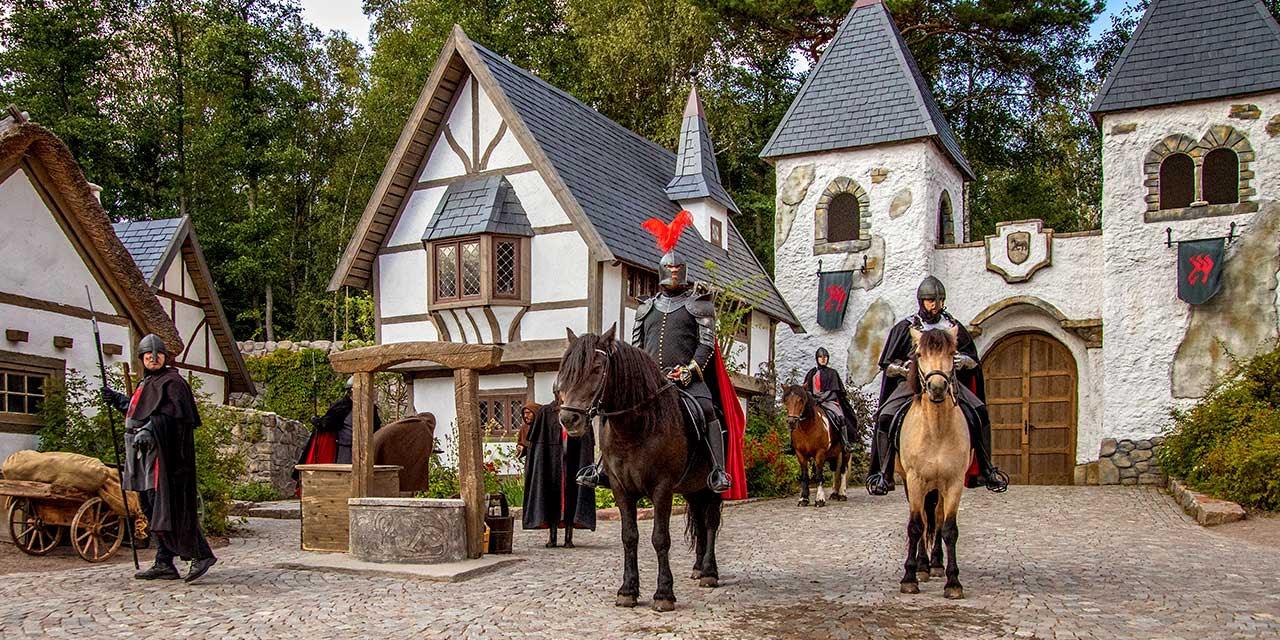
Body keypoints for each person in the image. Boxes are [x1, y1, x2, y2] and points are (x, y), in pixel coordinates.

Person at [576, 210, 735, 493]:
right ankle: (602, 467)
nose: (673, 273)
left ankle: (717, 470)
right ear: (661, 272)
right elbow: (637, 347)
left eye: (677, 269)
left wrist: (690, 370)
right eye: (669, 269)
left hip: (687, 378)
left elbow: (706, 344)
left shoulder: (699, 305)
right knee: (610, 409)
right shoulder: (645, 308)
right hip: (650, 382)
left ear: (684, 272)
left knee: (707, 409)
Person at [865, 276, 1009, 495]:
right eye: (930, 300)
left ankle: (985, 469)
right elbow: (887, 364)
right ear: (922, 301)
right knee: (885, 417)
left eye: (939, 300)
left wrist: (963, 361)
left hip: (949, 384)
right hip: (913, 384)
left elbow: (973, 360)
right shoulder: (906, 327)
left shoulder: (952, 327)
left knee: (980, 412)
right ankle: (884, 472)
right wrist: (903, 369)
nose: (935, 305)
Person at [102, 334, 217, 583]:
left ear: (165, 357)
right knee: (151, 508)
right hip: (143, 457)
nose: (153, 359)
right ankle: (164, 563)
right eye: (148, 356)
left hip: (165, 460)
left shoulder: (173, 383)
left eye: (157, 355)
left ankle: (201, 554)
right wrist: (120, 401)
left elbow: (176, 419)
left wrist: (150, 429)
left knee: (167, 508)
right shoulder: (147, 382)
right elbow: (143, 410)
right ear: (142, 358)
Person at [522, 398, 595, 547]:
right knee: (551, 498)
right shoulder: (546, 412)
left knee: (572, 498)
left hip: (573, 464)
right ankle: (552, 537)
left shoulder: (579, 411)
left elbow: (587, 439)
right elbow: (537, 441)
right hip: (551, 464)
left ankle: (569, 538)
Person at [296, 377, 383, 470]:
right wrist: (318, 422)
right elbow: (328, 424)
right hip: (345, 449)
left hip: (366, 449)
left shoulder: (370, 407)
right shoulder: (342, 406)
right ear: (350, 391)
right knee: (345, 472)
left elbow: (376, 428)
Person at [802, 347, 857, 454]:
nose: (823, 359)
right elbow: (807, 389)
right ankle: (793, 445)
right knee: (799, 417)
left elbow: (834, 390)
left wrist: (822, 398)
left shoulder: (832, 373)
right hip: (813, 403)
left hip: (829, 401)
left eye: (825, 357)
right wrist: (812, 399)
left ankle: (846, 443)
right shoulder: (811, 373)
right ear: (817, 358)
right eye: (820, 357)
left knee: (840, 417)